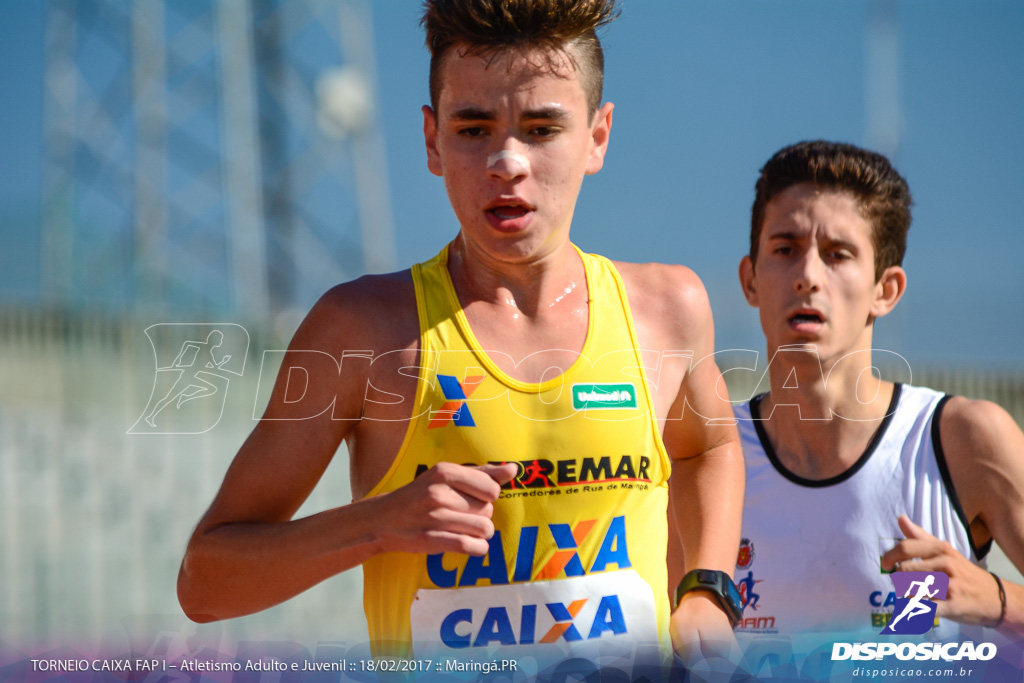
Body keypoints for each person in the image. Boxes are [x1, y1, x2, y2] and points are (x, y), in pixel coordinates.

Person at [176, 0, 744, 669]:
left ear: (597, 136)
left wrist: (708, 588)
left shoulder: (667, 307)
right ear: (431, 140)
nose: (507, 161)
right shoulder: (364, 330)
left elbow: (708, 446)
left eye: (540, 128)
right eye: (474, 129)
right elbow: (205, 581)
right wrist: (378, 525)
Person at [732, 140, 1024, 641]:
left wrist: (996, 598)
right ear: (751, 279)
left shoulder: (963, 441)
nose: (807, 277)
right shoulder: (706, 455)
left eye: (837, 254)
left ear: (884, 290)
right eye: (785, 250)